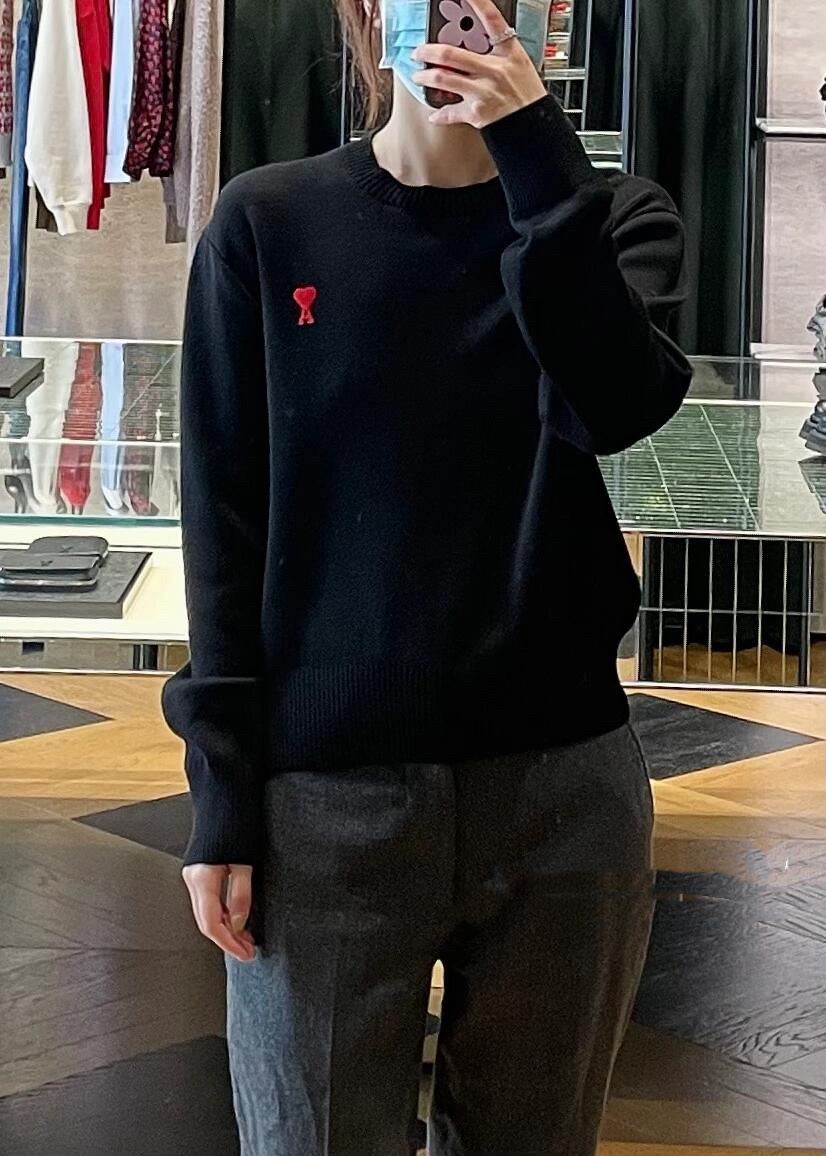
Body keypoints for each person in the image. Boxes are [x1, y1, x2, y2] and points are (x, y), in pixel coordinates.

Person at [162, 1, 693, 1152]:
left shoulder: (609, 218)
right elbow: (225, 519)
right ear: (367, 8)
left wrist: (538, 157)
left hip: (564, 789)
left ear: (548, 15)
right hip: (323, 800)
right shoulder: (269, 221)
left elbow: (611, 406)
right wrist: (221, 794)